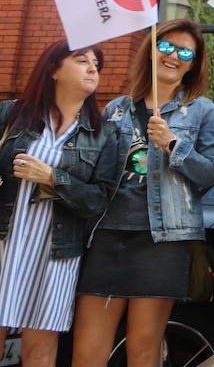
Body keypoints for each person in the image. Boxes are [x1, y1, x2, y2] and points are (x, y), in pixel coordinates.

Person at [72, 19, 214, 367]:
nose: (174, 56)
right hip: (108, 235)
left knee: (142, 349)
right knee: (87, 351)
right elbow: (100, 173)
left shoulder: (201, 110)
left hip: (163, 241)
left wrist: (173, 144)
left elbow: (210, 173)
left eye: (185, 51)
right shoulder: (117, 108)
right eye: (166, 47)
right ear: (152, 51)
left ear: (193, 62)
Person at [0, 40, 118, 367]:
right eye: (82, 60)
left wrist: (53, 178)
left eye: (96, 63)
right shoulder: (11, 115)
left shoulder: (103, 134)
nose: (93, 68)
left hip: (56, 252)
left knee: (39, 349)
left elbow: (100, 201)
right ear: (54, 70)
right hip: (4, 243)